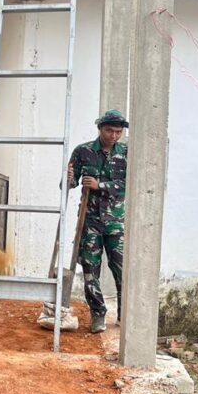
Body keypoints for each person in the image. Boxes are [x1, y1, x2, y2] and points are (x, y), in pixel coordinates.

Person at [66, 109, 128, 334]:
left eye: (118, 132)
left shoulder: (127, 153)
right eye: (109, 130)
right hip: (90, 221)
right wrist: (70, 179)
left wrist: (100, 185)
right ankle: (98, 314)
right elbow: (69, 184)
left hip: (116, 223)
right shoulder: (83, 152)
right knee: (91, 271)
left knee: (122, 270)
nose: (113, 136)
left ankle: (124, 313)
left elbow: (130, 183)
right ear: (100, 129)